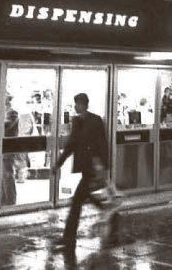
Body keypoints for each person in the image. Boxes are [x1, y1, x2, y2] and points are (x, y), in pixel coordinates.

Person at [52, 93, 117, 251]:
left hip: (93, 169)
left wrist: (103, 166)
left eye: (78, 103)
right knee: (85, 197)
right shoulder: (76, 121)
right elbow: (71, 145)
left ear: (85, 104)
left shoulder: (95, 120)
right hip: (85, 168)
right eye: (75, 103)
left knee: (76, 203)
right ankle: (111, 214)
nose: (76, 106)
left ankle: (68, 239)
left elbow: (102, 144)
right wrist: (59, 163)